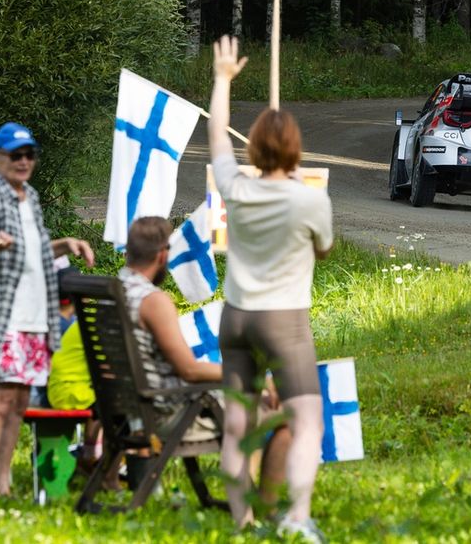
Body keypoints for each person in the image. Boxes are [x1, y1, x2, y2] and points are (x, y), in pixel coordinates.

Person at [48, 216, 291, 501]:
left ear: (129, 252)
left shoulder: (106, 294)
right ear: (163, 255)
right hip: (163, 414)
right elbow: (189, 370)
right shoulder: (153, 302)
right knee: (286, 413)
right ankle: (266, 509)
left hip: (122, 412)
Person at [208, 36, 334, 542]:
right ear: (295, 150)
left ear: (254, 148)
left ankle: (241, 522)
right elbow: (323, 250)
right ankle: (298, 518)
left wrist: (222, 80)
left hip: (236, 316)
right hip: (284, 323)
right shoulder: (309, 201)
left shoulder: (235, 187)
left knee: (237, 426)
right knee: (307, 423)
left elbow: (217, 137)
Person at [0, 122, 95, 499]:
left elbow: (32, 253)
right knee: (0, 398)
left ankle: (4, 483)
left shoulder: (29, 197)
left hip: (37, 318)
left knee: (19, 402)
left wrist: (65, 244)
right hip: (4, 318)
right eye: (15, 155)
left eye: (28, 154)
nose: (23, 161)